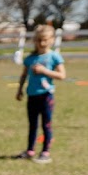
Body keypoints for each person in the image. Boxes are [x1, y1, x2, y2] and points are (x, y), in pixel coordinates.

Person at [15, 25, 65, 163]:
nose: (42, 43)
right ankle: (30, 150)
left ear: (52, 40)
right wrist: (19, 90)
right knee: (32, 124)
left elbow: (62, 75)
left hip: (46, 96)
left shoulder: (54, 56)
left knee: (46, 124)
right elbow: (24, 75)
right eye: (38, 40)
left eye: (45, 40)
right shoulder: (30, 58)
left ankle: (45, 152)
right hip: (32, 96)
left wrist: (45, 71)